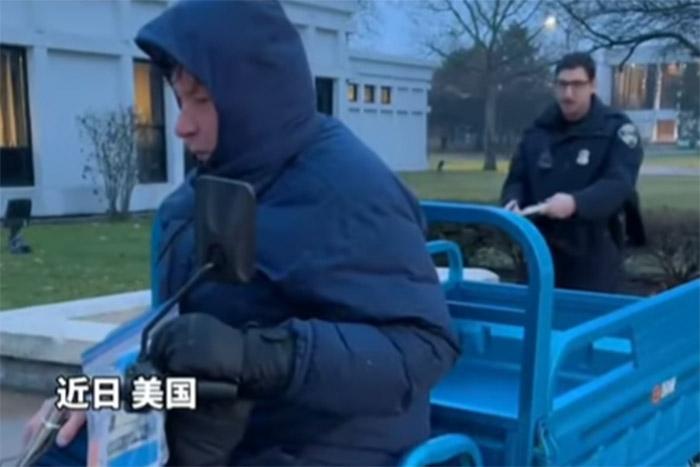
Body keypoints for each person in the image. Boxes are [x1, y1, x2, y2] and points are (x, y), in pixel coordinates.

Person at [24, 0, 460, 465]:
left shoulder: (350, 192)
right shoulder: (212, 182)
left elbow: (425, 346)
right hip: (215, 413)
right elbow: (180, 341)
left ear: (255, 95)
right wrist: (100, 393)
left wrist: (260, 356)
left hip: (320, 437)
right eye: (180, 98)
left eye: (202, 100)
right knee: (60, 448)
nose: (182, 125)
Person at [501, 52, 645, 293]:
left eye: (577, 85)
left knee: (587, 317)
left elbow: (619, 183)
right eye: (562, 84)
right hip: (540, 252)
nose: (568, 94)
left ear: (593, 85)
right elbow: (517, 179)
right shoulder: (538, 131)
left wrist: (576, 203)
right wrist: (511, 202)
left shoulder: (616, 129)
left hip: (594, 256)